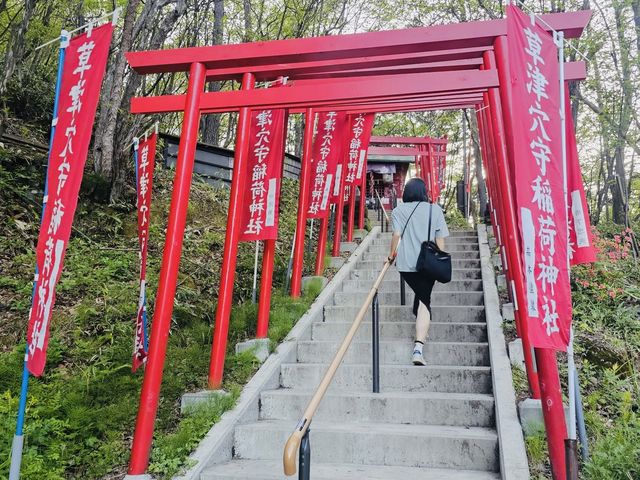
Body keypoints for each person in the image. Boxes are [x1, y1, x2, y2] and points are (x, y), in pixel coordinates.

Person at [387, 178, 449, 366]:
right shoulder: (435, 209)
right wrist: (441, 259)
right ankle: (418, 349)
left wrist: (390, 256)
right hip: (428, 263)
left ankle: (421, 324)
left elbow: (396, 235)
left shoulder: (398, 211)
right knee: (424, 300)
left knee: (422, 294)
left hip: (406, 265)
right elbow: (440, 240)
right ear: (424, 192)